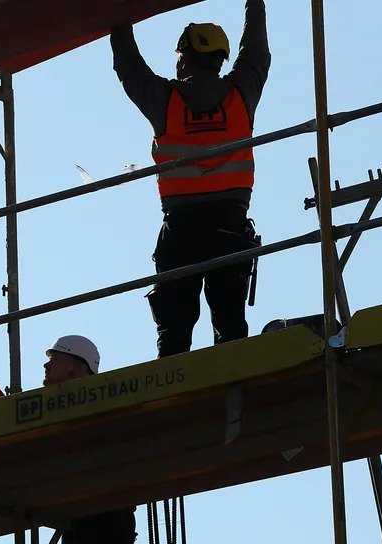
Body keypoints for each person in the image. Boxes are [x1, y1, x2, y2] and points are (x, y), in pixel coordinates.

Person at [110, 1, 271, 357]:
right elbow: (257, 49)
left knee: (174, 335)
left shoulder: (164, 100)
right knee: (230, 328)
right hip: (229, 228)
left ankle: (173, 398)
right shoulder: (242, 94)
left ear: (184, 58)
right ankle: (233, 390)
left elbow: (128, 66)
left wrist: (118, 17)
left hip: (181, 230)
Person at [45, 336, 140, 544]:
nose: (45, 367)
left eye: (53, 359)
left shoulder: (78, 406)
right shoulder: (106, 403)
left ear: (74, 366)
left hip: (94, 513)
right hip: (109, 513)